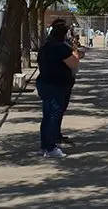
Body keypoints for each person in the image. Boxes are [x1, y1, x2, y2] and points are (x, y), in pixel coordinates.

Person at [36, 19, 80, 158]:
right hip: (55, 85)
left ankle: (45, 146)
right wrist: (74, 50)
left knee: (48, 116)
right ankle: (50, 147)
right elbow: (74, 62)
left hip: (46, 83)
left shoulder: (46, 45)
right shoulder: (59, 47)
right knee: (54, 115)